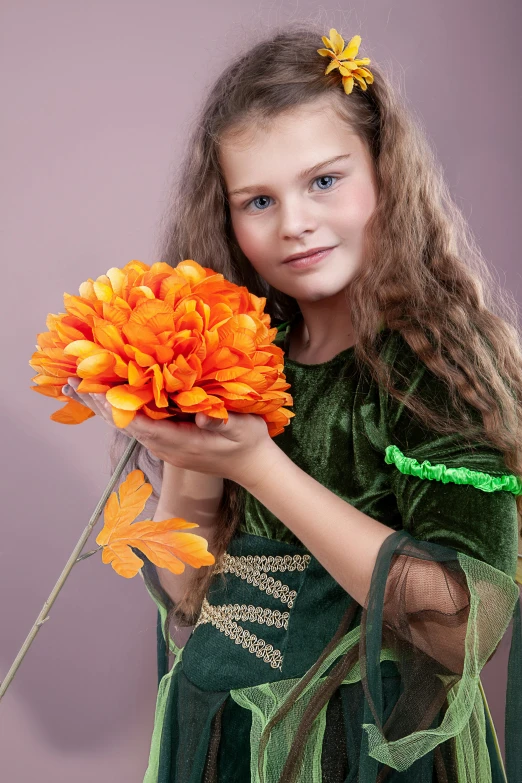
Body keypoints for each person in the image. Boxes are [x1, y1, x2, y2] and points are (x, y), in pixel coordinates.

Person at [62, 23, 522, 783]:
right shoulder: (245, 343)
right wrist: (184, 448)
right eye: (258, 200)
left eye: (325, 181)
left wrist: (258, 464)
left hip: (354, 741)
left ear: (385, 173)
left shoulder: (437, 367)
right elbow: (188, 594)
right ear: (228, 215)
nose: (295, 223)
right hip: (221, 733)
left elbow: (463, 628)